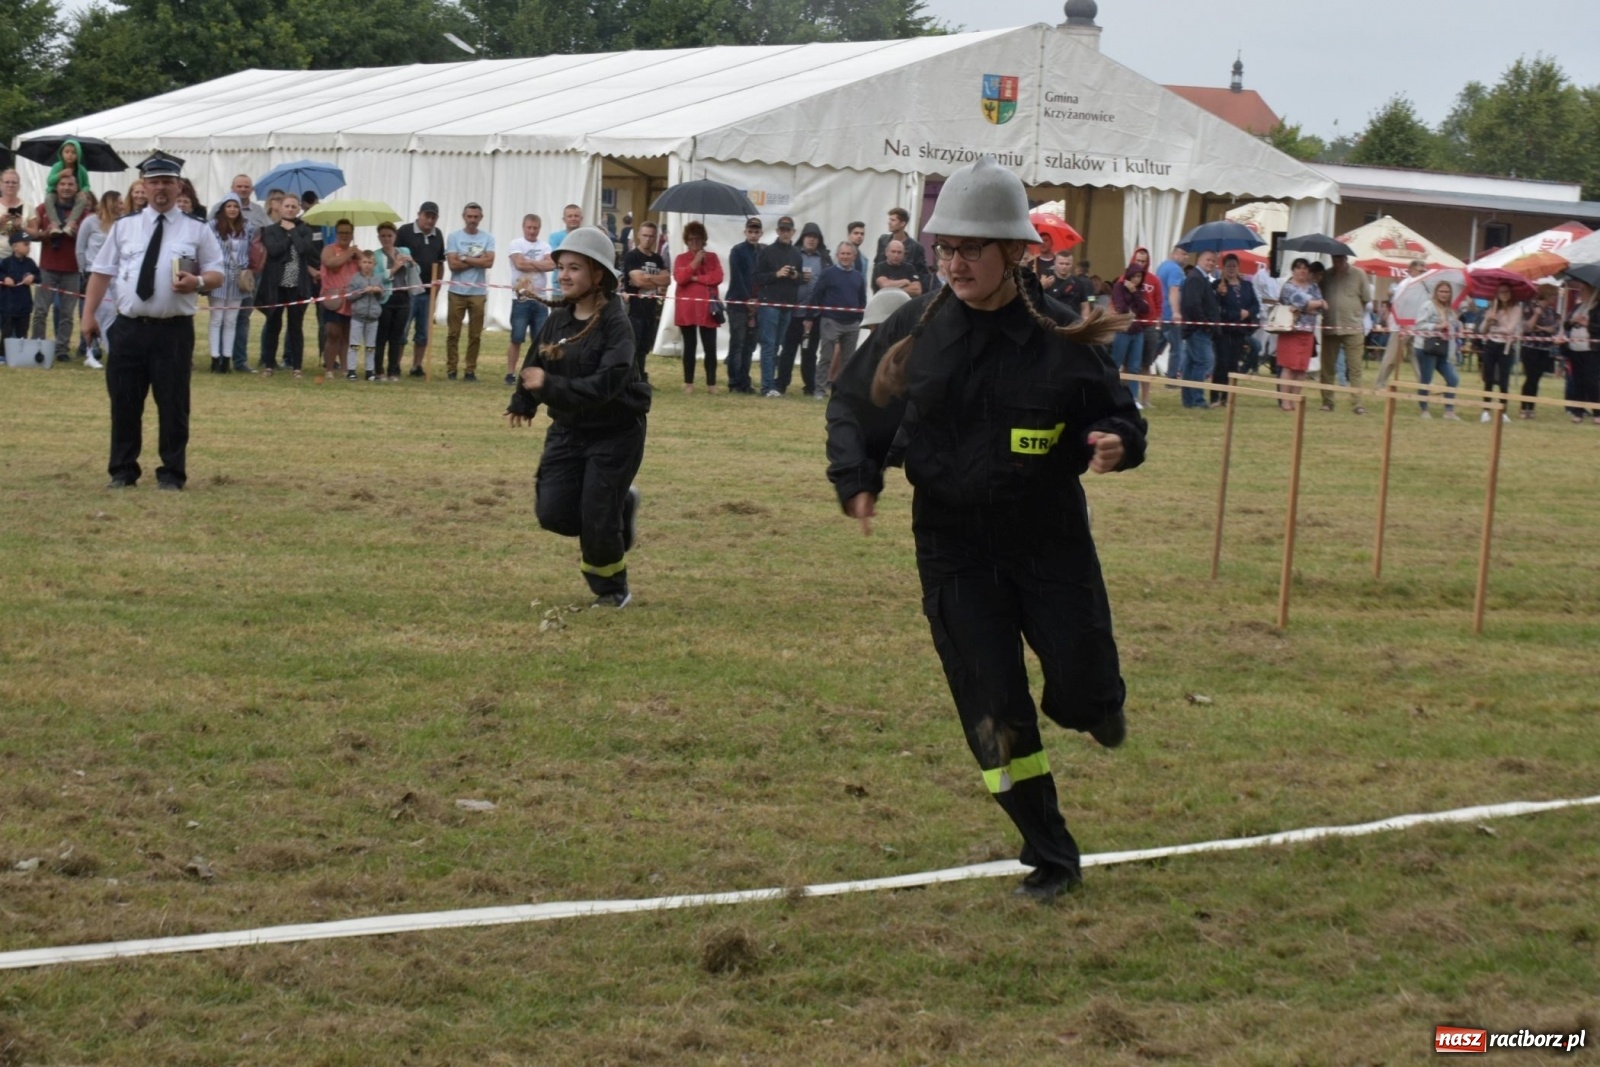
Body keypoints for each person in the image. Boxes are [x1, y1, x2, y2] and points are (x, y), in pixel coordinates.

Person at [826, 157, 1145, 904]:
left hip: (1049, 538)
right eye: (947, 248)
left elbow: (1120, 414)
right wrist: (857, 478)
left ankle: (1095, 704)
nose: (956, 262)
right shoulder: (916, 326)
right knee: (993, 708)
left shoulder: (1064, 335)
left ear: (1017, 252)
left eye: (973, 248)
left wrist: (1115, 442)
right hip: (953, 546)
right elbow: (852, 405)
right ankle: (1049, 851)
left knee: (1085, 678)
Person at [505, 226, 650, 608]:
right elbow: (536, 360)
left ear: (597, 275)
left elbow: (606, 386)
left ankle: (611, 589)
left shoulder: (618, 327)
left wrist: (548, 388)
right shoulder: (559, 320)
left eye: (574, 268)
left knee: (596, 517)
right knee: (553, 513)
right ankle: (621, 508)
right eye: (562, 267)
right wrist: (524, 400)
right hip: (569, 430)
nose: (564, 275)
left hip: (615, 433)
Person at [81, 153, 224, 491]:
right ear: (143, 186)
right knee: (124, 402)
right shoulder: (125, 226)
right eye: (155, 181)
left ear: (179, 187)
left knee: (174, 405)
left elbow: (218, 272)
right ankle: (122, 470)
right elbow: (101, 273)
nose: (161, 188)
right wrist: (88, 316)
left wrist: (198, 282)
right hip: (129, 328)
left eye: (168, 182)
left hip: (172, 331)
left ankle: (172, 473)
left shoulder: (197, 229)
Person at [26, 171, 90, 364]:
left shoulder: (84, 214)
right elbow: (32, 234)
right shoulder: (44, 208)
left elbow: (89, 241)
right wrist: (47, 234)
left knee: (67, 314)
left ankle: (62, 348)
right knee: (40, 311)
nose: (66, 188)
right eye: (62, 184)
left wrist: (76, 235)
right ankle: (37, 346)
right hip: (48, 266)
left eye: (70, 184)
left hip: (71, 268)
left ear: (76, 188)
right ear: (56, 187)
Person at [255, 193, 319, 378]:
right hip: (277, 285)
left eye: (293, 206)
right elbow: (274, 250)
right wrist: (288, 235)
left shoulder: (305, 230)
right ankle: (268, 364)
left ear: (298, 208)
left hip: (297, 285)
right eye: (287, 206)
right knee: (273, 324)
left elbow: (304, 249)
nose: (290, 209)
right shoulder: (270, 230)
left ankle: (296, 366)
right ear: (280, 208)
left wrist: (292, 232)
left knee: (295, 327)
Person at [777, 221, 830, 395]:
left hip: (814, 314)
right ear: (803, 237)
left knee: (810, 352)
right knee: (788, 351)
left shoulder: (824, 258)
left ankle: (809, 385)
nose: (811, 240)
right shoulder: (792, 253)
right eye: (809, 236)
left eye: (815, 237)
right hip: (792, 313)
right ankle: (781, 384)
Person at [444, 202, 495, 381]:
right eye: (469, 216)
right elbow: (453, 264)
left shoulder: (488, 238)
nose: (472, 220)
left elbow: (489, 263)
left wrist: (463, 257)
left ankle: (470, 370)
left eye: (476, 217)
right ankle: (451, 368)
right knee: (453, 333)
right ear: (464, 217)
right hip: (456, 291)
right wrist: (475, 259)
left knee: (475, 334)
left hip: (478, 292)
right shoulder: (454, 237)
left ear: (481, 218)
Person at [672, 220, 723, 394]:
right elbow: (680, 278)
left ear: (703, 240)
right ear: (687, 241)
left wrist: (695, 278)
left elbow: (717, 277)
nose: (695, 242)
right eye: (691, 239)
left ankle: (711, 383)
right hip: (687, 309)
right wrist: (694, 263)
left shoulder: (713, 258)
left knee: (710, 347)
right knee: (690, 346)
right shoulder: (681, 259)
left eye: (698, 239)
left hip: (708, 309)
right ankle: (688, 382)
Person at [754, 215, 803, 397]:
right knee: (768, 345)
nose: (785, 233)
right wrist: (776, 274)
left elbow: (800, 281)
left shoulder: (797, 254)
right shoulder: (767, 252)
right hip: (769, 304)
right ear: (777, 231)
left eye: (788, 230)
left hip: (787, 305)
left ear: (793, 232)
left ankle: (771, 384)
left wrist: (794, 276)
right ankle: (767, 387)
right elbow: (757, 277)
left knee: (777, 346)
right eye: (782, 229)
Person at [505, 213, 556, 386]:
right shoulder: (516, 244)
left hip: (541, 300)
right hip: (521, 299)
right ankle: (510, 373)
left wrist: (530, 262)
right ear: (523, 227)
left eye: (535, 228)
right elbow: (519, 264)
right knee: (517, 337)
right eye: (529, 227)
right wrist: (539, 263)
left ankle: (538, 372)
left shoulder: (546, 245)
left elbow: (551, 265)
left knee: (541, 340)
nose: (532, 231)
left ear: (539, 229)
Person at [810, 241, 867, 396]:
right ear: (837, 255)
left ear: (854, 256)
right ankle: (820, 390)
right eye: (842, 253)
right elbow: (817, 294)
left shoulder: (859, 277)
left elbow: (862, 299)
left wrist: (859, 318)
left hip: (852, 324)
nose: (845, 256)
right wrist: (815, 315)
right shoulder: (828, 273)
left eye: (848, 254)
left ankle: (842, 392)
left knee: (848, 361)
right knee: (826, 357)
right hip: (831, 320)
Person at [395, 201, 444, 377]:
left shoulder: (438, 235)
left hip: (428, 292)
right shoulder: (405, 231)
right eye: (427, 216)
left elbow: (440, 262)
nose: (430, 220)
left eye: (433, 217)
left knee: (423, 332)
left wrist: (437, 286)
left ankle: (417, 365)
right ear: (419, 214)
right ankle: (396, 364)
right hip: (408, 291)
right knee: (403, 329)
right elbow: (396, 256)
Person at [206, 194, 253, 374]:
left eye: (235, 206)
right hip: (219, 274)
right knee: (216, 319)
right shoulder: (212, 226)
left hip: (238, 276)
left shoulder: (247, 226)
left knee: (231, 321)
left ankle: (226, 359)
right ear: (223, 208)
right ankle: (215, 358)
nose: (232, 209)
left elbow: (250, 249)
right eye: (229, 206)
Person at [75, 190, 121, 368]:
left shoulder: (119, 224)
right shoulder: (90, 222)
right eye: (118, 202)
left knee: (116, 313)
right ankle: (92, 352)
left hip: (114, 275)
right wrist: (84, 271)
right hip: (94, 273)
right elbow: (80, 248)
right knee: (104, 312)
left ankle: (110, 351)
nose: (121, 205)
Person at [1317, 254, 1369, 413]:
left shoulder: (1359, 274)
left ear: (1346, 258)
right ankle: (1327, 401)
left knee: (1355, 368)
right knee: (1327, 368)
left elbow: (1366, 298)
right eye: (1335, 259)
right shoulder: (1326, 275)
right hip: (1330, 326)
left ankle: (1357, 403)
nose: (1337, 262)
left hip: (1353, 327)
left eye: (1340, 259)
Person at [620, 220, 669, 381]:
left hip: (650, 308)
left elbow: (667, 280)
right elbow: (638, 281)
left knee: (644, 348)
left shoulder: (657, 258)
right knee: (633, 346)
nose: (648, 239)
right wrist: (655, 279)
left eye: (651, 236)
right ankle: (631, 378)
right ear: (639, 236)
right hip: (634, 310)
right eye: (645, 235)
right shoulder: (632, 256)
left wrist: (648, 277)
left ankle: (641, 376)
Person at [1274, 258, 1325, 411]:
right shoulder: (1288, 287)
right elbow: (1304, 303)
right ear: (1293, 270)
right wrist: (1318, 303)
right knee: (1289, 367)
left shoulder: (1314, 286)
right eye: (1298, 268)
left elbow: (1319, 308)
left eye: (1305, 268)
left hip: (1308, 332)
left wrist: (1312, 306)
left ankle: (1295, 399)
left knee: (1302, 368)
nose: (1302, 270)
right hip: (1291, 331)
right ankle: (1285, 401)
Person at [1213, 253, 1260, 406]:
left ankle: (1228, 397)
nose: (1231, 269)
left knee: (1233, 364)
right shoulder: (1218, 285)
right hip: (1224, 331)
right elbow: (1217, 308)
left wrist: (1248, 312)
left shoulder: (1247, 285)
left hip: (1240, 331)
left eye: (1234, 266)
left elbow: (1255, 304)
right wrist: (1220, 295)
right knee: (1222, 363)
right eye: (1228, 266)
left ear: (1238, 267)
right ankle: (1215, 396)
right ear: (1223, 268)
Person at [723, 217, 763, 394]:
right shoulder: (737, 251)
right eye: (750, 231)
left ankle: (745, 381)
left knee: (749, 345)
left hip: (756, 304)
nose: (753, 235)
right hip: (738, 304)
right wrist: (748, 300)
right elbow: (738, 278)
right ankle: (734, 382)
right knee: (737, 343)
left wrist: (757, 300)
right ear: (745, 232)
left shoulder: (763, 252)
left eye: (756, 232)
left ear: (761, 233)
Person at [1413, 278, 1463, 421]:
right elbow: (1419, 325)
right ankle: (1424, 409)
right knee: (1426, 380)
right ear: (1436, 292)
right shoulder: (1428, 306)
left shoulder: (1450, 310)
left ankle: (1449, 410)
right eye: (1441, 291)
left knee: (1453, 379)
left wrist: (1455, 325)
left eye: (1447, 291)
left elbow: (1451, 328)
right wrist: (1436, 327)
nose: (1444, 294)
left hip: (1443, 349)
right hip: (1426, 348)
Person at [318, 219, 362, 379]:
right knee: (333, 333)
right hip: (334, 298)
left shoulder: (356, 252)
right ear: (336, 234)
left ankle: (345, 368)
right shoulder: (329, 249)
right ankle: (329, 368)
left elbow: (368, 265)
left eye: (347, 232)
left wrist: (359, 255)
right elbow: (330, 263)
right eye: (341, 232)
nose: (344, 235)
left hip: (352, 299)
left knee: (347, 334)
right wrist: (347, 254)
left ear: (352, 234)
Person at [1178, 250, 1220, 409]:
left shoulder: (1200, 278)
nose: (1211, 263)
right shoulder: (1196, 278)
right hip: (1197, 329)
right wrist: (1206, 324)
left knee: (1191, 364)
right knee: (1203, 362)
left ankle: (1189, 400)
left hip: (1194, 328)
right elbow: (1192, 304)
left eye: (1214, 261)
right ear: (1199, 260)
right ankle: (1197, 400)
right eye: (1208, 260)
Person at [374, 221, 414, 381]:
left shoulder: (403, 251)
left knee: (397, 337)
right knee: (382, 336)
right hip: (386, 299)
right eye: (383, 236)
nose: (386, 239)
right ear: (379, 237)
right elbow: (378, 276)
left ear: (395, 236)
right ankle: (379, 370)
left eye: (389, 235)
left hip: (403, 297)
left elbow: (415, 272)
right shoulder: (377, 255)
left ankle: (393, 370)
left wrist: (412, 263)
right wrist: (394, 268)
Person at [1477, 283, 1522, 422]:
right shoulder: (1493, 308)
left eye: (1506, 291)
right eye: (1501, 292)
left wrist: (1498, 325)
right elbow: (1482, 330)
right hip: (1491, 344)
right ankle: (1486, 410)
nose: (1504, 294)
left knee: (1504, 379)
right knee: (1488, 378)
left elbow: (1510, 329)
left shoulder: (1516, 309)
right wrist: (1488, 319)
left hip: (1506, 346)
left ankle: (1503, 411)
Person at [343, 249, 390, 380]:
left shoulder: (377, 278)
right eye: (364, 262)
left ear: (374, 264)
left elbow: (382, 297)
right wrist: (363, 291)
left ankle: (370, 371)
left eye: (370, 262)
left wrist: (378, 291)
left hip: (373, 318)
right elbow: (349, 296)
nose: (367, 265)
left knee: (370, 346)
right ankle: (351, 370)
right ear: (360, 263)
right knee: (354, 344)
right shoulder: (355, 278)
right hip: (358, 317)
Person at [1520, 286, 1560, 418]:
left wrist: (1542, 328)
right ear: (1547, 295)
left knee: (1536, 379)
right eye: (1554, 295)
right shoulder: (1530, 307)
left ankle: (1531, 408)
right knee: (1530, 377)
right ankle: (1524, 407)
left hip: (1544, 349)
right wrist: (1536, 314)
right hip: (1530, 348)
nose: (1556, 298)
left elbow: (1554, 328)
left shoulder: (1551, 311)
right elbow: (1527, 327)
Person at [1563, 280, 1600, 425]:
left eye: (1584, 290)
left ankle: (1597, 413)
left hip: (1591, 350)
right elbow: (1566, 323)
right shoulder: (1578, 307)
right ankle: (1577, 412)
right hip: (1575, 349)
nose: (1581, 292)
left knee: (1592, 381)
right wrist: (1572, 320)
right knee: (1577, 381)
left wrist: (1588, 324)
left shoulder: (1597, 308)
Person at [1108, 263, 1148, 378]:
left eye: (1139, 276)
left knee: (1135, 367)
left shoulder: (1140, 289)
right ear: (1129, 276)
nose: (1136, 279)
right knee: (1116, 363)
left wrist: (1134, 292)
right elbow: (1121, 307)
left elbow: (1145, 309)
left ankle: (1133, 395)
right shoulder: (1118, 286)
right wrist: (1133, 311)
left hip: (1138, 330)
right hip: (1122, 330)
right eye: (1134, 276)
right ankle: (1111, 392)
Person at [1155, 245, 1188, 380]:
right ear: (1174, 254)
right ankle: (1172, 377)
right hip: (1170, 314)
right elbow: (1174, 290)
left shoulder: (1163, 266)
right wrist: (1176, 312)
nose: (1187, 257)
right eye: (1184, 254)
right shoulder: (1176, 270)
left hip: (1161, 313)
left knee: (1158, 345)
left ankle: (1142, 366)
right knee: (1177, 348)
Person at [873, 206, 928, 286]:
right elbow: (876, 265)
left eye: (893, 220)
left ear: (902, 223)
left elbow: (922, 274)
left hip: (907, 291)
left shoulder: (916, 247)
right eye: (889, 219)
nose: (889, 222)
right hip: (882, 289)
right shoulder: (883, 241)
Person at [1, 232, 38, 349]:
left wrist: (32, 277)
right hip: (8, 305)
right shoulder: (6, 262)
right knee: (6, 331)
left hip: (24, 305)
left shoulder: (30, 263)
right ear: (14, 246)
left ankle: (20, 352)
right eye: (26, 244)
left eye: (29, 244)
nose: (29, 247)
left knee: (22, 331)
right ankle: (3, 354)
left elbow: (39, 276)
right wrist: (4, 278)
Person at [1041, 251, 1092, 316]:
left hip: (1073, 321)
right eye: (1061, 263)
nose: (1064, 266)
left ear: (1072, 264)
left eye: (1067, 264)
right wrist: (1042, 286)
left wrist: (1085, 321)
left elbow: (1085, 306)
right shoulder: (1047, 281)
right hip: (1052, 321)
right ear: (1055, 263)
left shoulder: (1079, 283)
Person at [1, 169, 26, 241]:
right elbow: (5, 232)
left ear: (19, 186)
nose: (10, 185)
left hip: (18, 251)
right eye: (7, 182)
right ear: (1, 185)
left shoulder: (27, 206)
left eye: (14, 182)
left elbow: (33, 236)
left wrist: (21, 228)